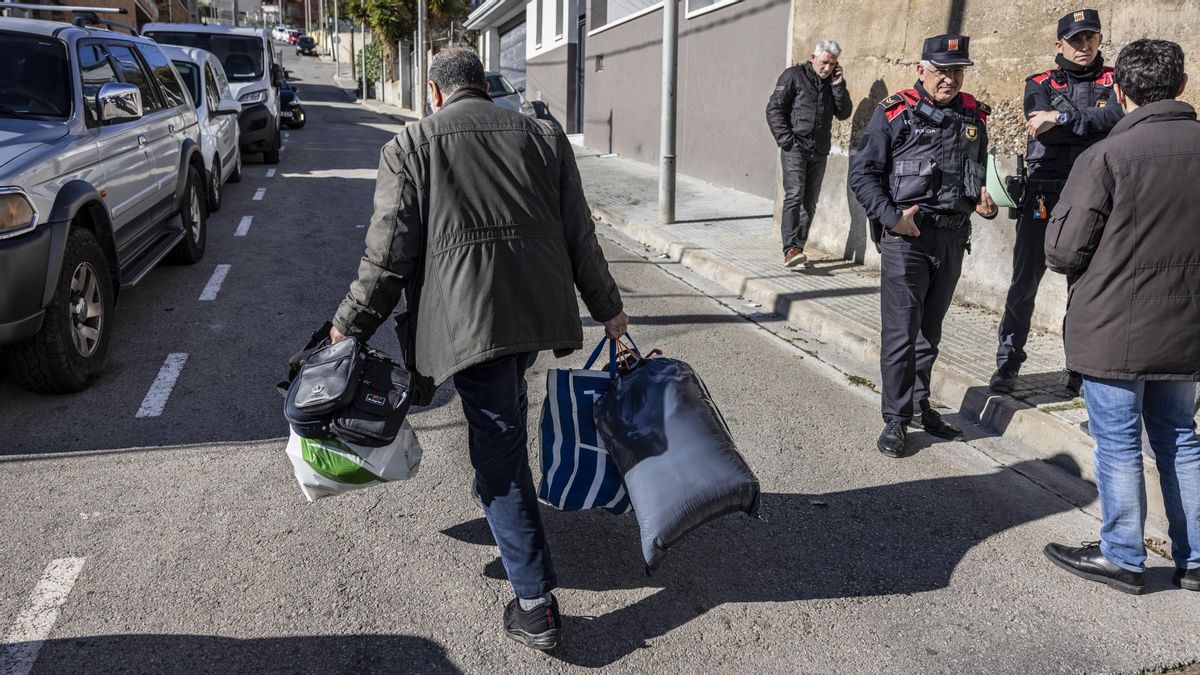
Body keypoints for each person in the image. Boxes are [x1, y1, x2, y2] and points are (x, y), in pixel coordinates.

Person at [328, 48, 629, 649]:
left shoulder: (410, 146)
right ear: (483, 88)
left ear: (436, 93)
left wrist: (348, 326)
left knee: (498, 456)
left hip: (470, 323)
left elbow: (388, 258)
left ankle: (536, 604)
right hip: (536, 312)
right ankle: (504, 501)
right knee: (505, 413)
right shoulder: (543, 135)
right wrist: (609, 310)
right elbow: (581, 234)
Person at [1042, 38, 1200, 596]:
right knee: (1181, 437)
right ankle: (1196, 558)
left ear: (1118, 89)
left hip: (1114, 326)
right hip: (1188, 328)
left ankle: (1124, 557)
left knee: (1117, 441)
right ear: (1181, 86)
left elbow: (1062, 250)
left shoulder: (1106, 155)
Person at [849, 34, 998, 458]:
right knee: (901, 334)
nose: (949, 79)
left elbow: (978, 172)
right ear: (921, 70)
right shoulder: (894, 113)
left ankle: (919, 405)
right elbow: (863, 175)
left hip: (952, 236)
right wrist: (893, 218)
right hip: (907, 240)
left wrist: (983, 203)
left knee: (929, 333)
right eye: (941, 70)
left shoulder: (973, 114)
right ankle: (895, 420)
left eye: (957, 71)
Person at [990, 9, 1123, 396]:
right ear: (1059, 45)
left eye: (1091, 38)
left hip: (1095, 192)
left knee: (1083, 287)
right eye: (1076, 39)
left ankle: (1078, 369)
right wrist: (1086, 124)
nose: (1084, 46)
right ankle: (1008, 362)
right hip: (1044, 194)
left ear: (1099, 40)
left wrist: (1062, 116)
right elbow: (1041, 128)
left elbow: (1119, 117)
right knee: (1025, 282)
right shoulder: (1039, 82)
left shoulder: (1116, 79)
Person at [766, 40, 852, 268]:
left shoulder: (832, 83)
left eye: (833, 64)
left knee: (810, 201)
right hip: (795, 147)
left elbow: (844, 113)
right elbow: (774, 109)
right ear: (813, 57)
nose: (828, 68)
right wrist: (787, 140)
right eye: (824, 62)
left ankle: (798, 250)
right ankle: (790, 248)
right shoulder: (793, 76)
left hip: (819, 150)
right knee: (794, 195)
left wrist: (838, 86)